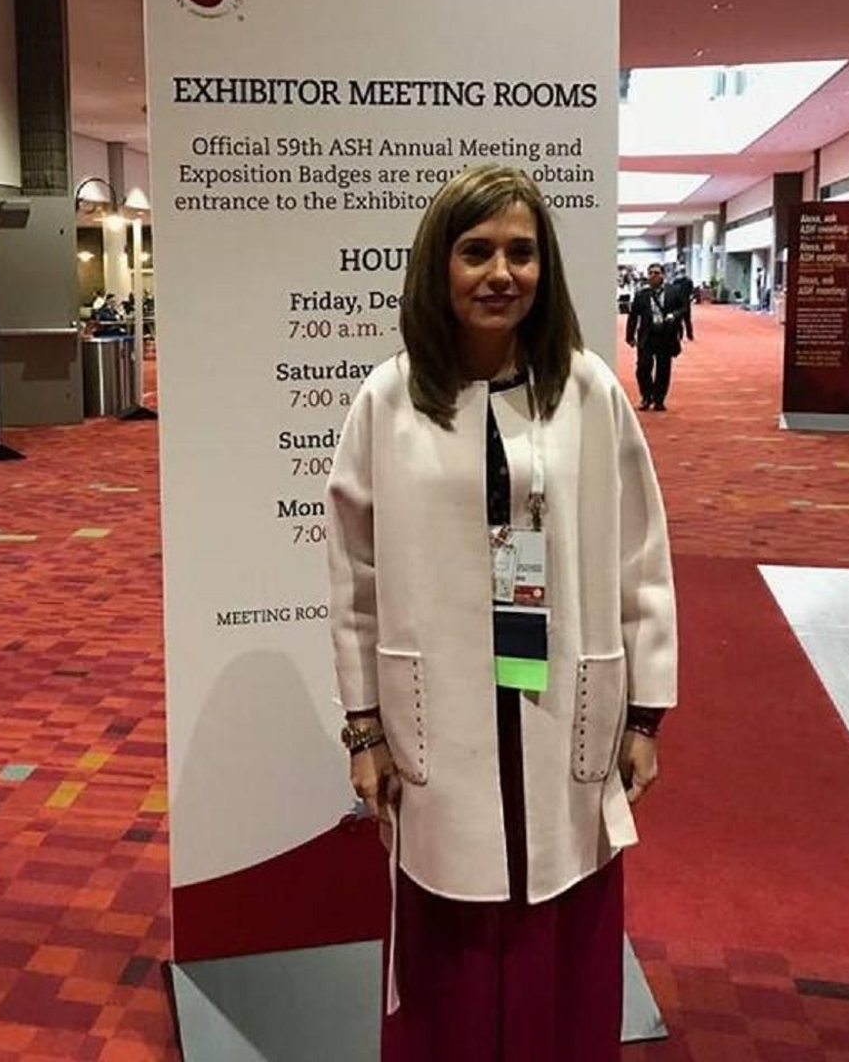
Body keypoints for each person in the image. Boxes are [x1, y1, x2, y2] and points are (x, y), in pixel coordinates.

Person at [325, 165, 677, 1061]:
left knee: (562, 913)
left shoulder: (590, 390)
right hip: (441, 708)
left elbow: (642, 554)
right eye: (476, 251)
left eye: (521, 252)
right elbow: (354, 576)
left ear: (545, 268)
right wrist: (365, 730)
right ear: (438, 267)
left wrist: (645, 712)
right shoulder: (389, 399)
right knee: (453, 923)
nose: (500, 273)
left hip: (558, 699)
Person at [626, 262, 686, 410]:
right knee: (643, 367)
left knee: (663, 369)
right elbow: (633, 316)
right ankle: (646, 397)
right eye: (651, 273)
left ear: (663, 275)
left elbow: (684, 308)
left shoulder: (674, 291)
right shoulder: (641, 295)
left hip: (666, 335)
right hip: (647, 335)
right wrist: (630, 336)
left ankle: (659, 399)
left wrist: (674, 315)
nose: (653, 275)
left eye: (657, 273)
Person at [669, 267, 696, 341]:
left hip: (680, 302)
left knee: (680, 320)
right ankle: (688, 336)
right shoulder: (687, 281)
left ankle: (681, 336)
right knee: (686, 320)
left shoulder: (676, 281)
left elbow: (673, 291)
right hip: (684, 302)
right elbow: (691, 292)